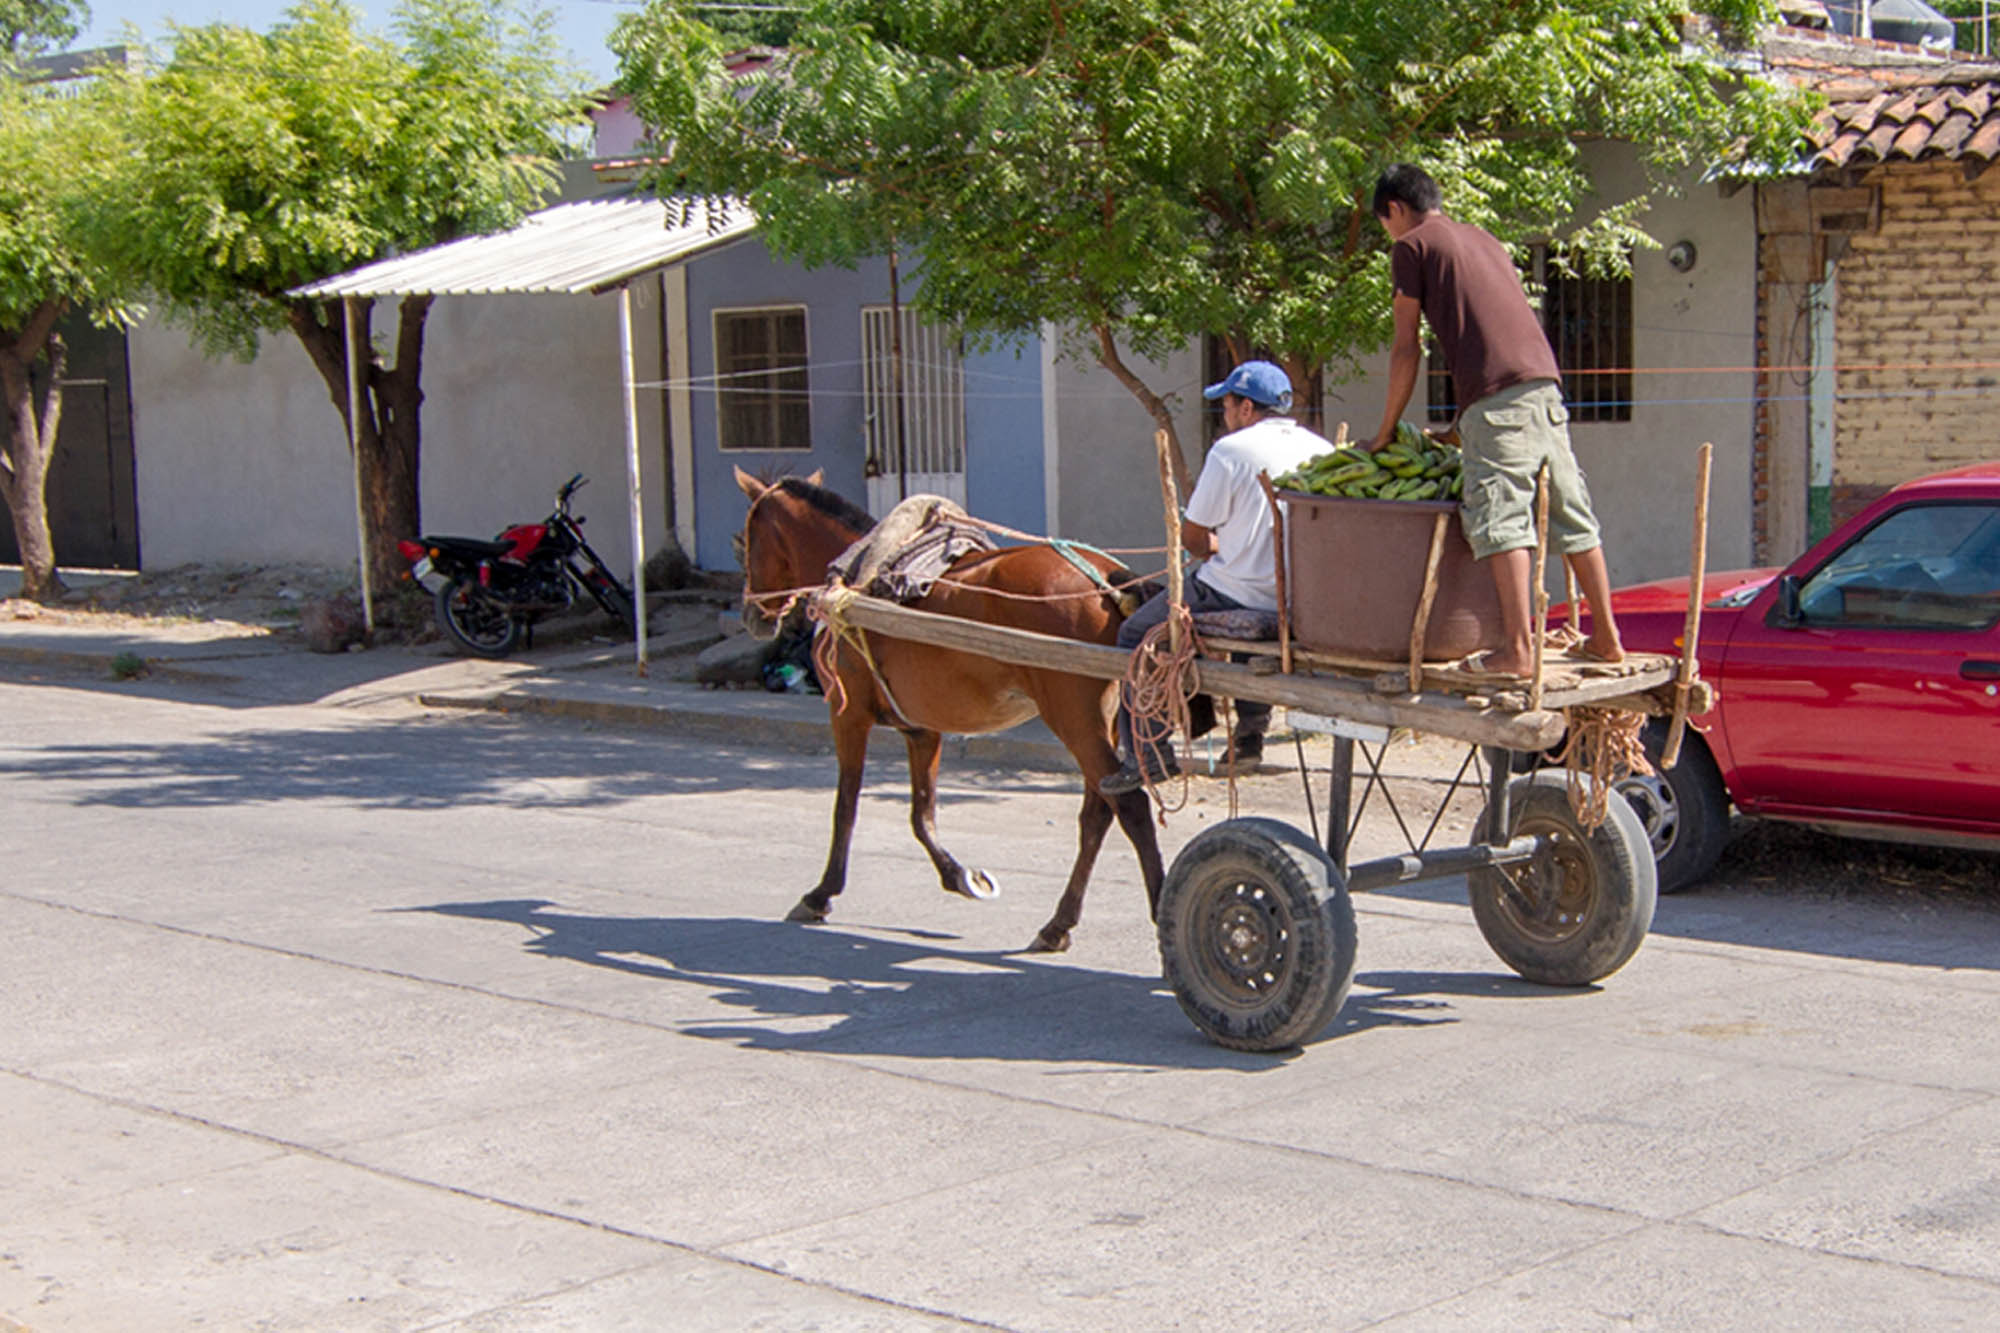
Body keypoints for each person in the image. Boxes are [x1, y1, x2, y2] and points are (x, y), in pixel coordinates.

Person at [1366, 162, 1623, 680]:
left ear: (1394, 209)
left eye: (1384, 223)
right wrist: (1461, 426)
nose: (1388, 234)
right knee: (1573, 514)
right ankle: (1608, 640)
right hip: (1543, 387)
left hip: (1498, 400)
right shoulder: (1483, 239)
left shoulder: (1411, 248)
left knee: (1502, 520)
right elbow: (1489, 335)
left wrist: (1386, 429)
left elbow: (1405, 349)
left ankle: (1517, 651)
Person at [1100, 359, 1330, 796]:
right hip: (1297, 596)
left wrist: (1218, 547)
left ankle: (1148, 756)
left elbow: (1194, 539)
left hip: (1235, 591)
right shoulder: (1321, 449)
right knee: (1248, 614)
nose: (1224, 414)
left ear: (1245, 407)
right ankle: (1248, 738)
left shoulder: (1232, 451)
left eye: (1226, 404)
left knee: (1134, 634)